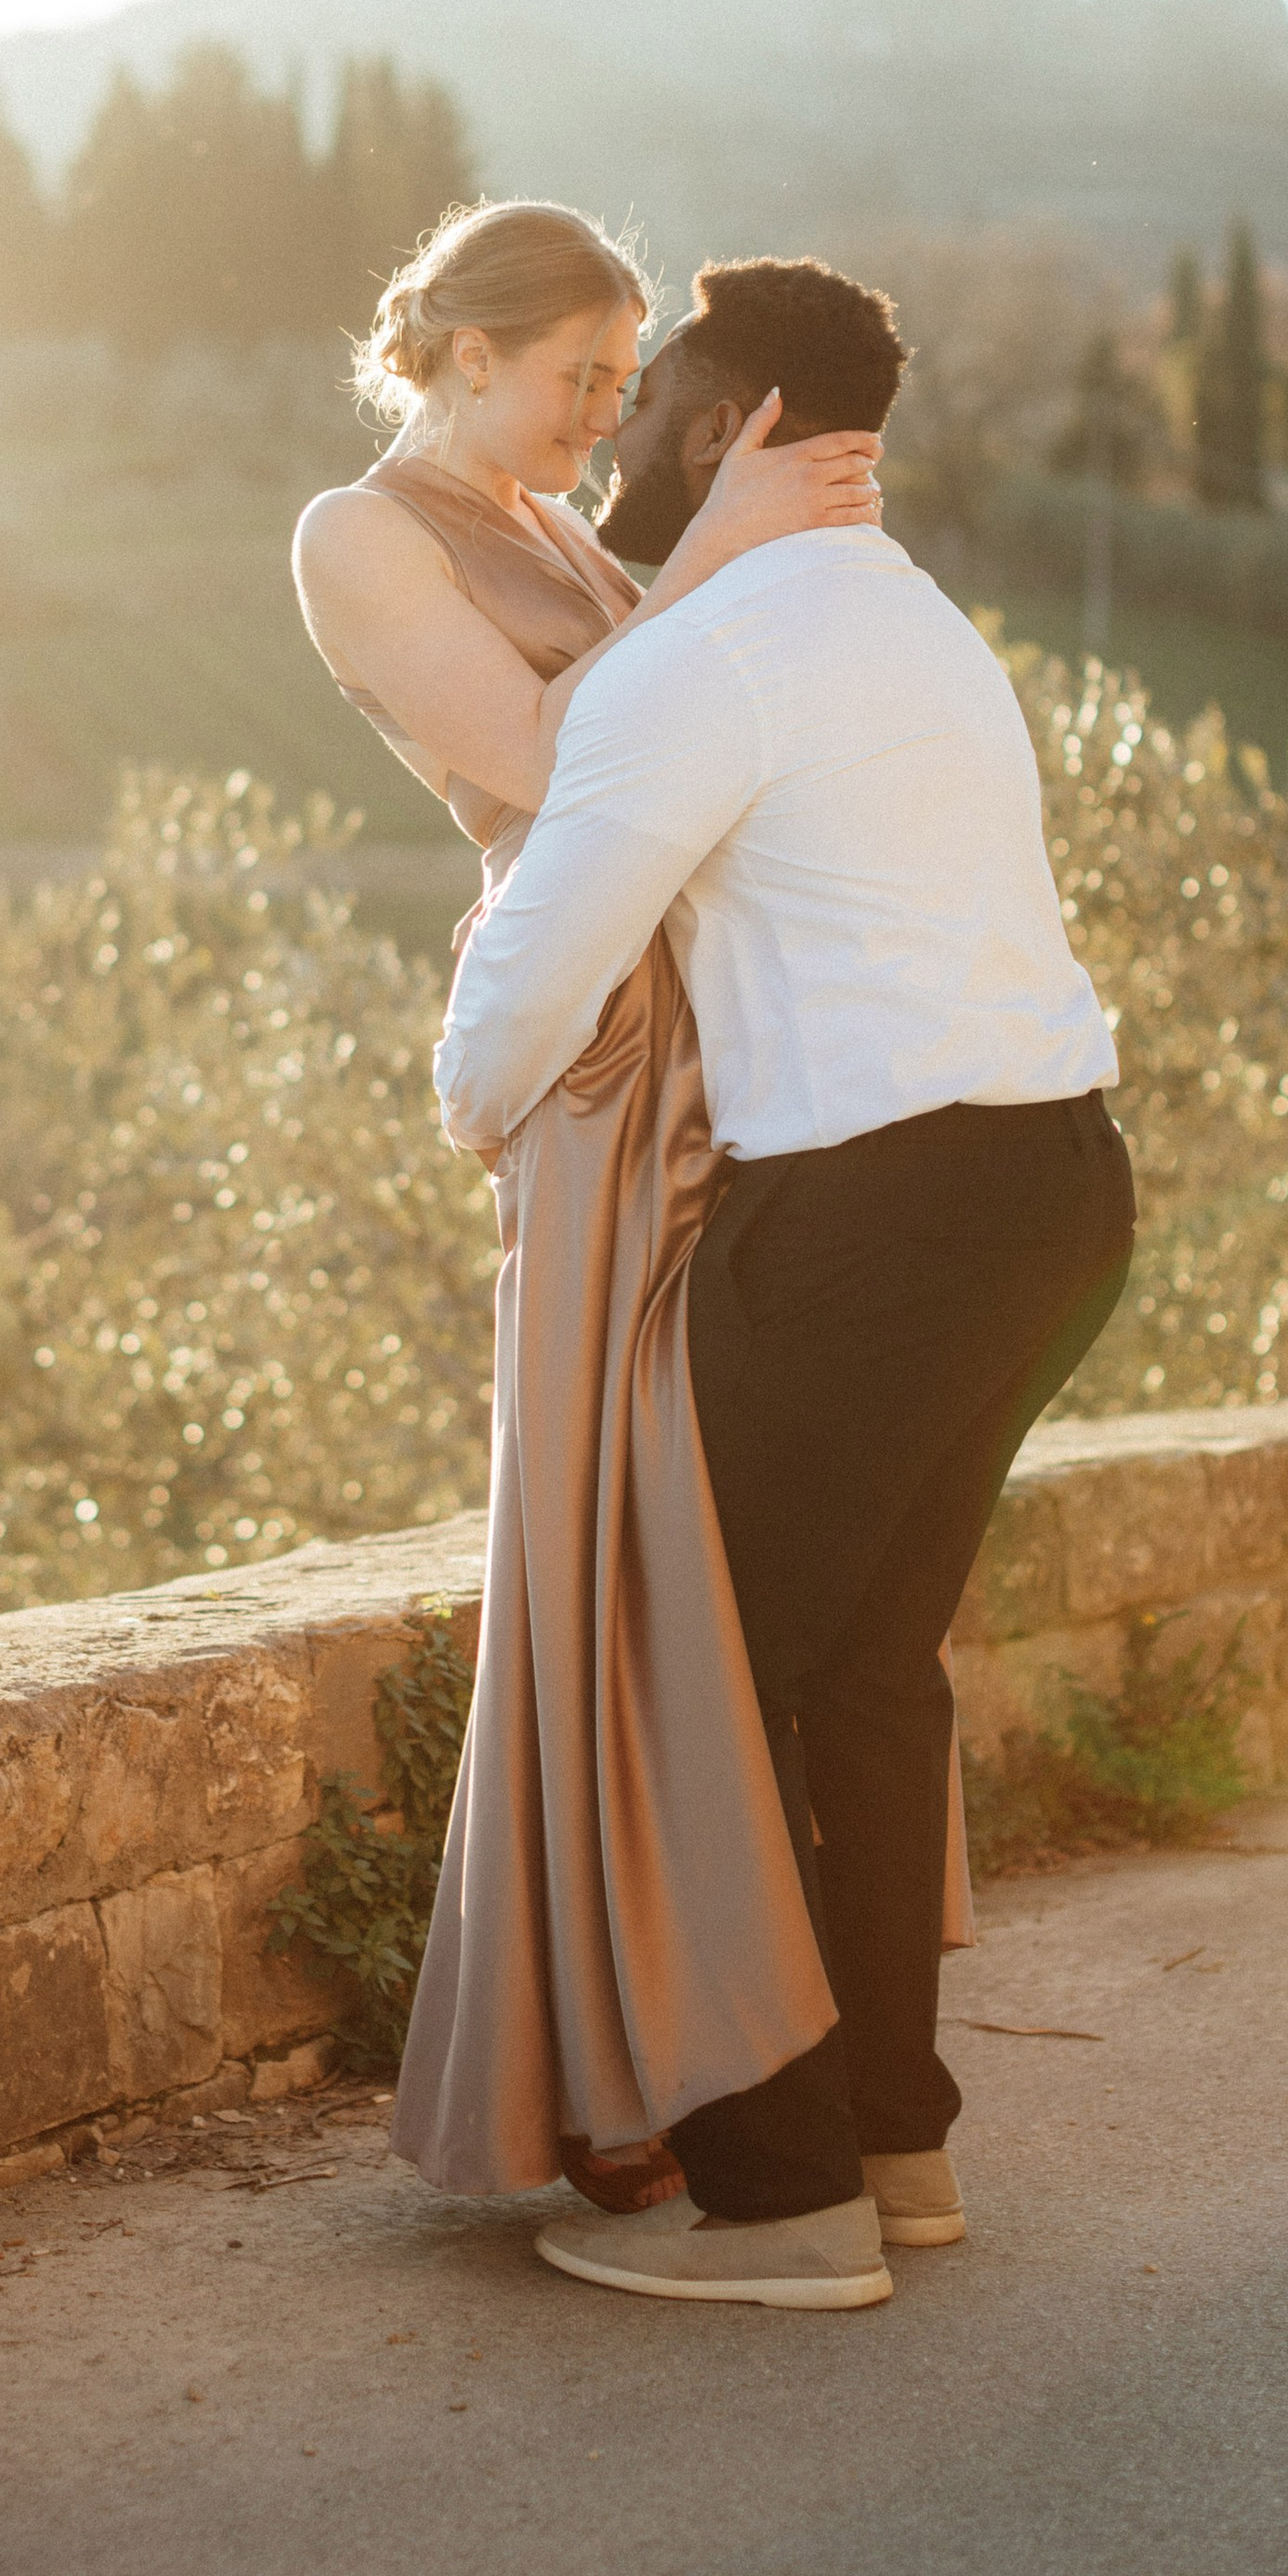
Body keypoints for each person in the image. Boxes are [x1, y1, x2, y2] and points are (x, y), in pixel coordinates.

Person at [434, 253, 1136, 2313]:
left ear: (732, 424)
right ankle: (894, 2146)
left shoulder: (704, 657)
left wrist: (468, 1096)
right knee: (858, 1671)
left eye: (656, 389)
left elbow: (531, 982)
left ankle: (779, 2200)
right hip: (1054, 1192)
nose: (627, 421)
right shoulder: (917, 627)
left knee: (690, 1678)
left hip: (873, 1221)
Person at [295, 199, 929, 2227]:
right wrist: (728, 553)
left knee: (724, 1562)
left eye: (614, 378)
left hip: (725, 1042)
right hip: (588, 1060)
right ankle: (612, 2064)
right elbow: (559, 760)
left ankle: (737, 2043)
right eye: (576, 373)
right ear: (461, 353)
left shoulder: (570, 540)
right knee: (610, 1533)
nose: (601, 416)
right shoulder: (358, 534)